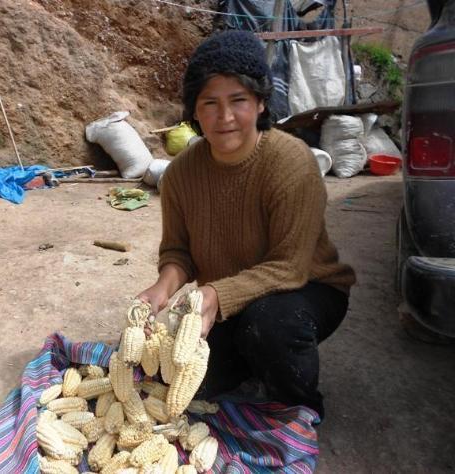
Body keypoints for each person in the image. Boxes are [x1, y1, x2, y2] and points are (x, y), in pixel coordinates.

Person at [137, 30, 356, 419]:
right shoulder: (181, 174)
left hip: (305, 288)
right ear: (194, 111)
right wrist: (161, 289)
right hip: (229, 297)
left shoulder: (291, 162)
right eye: (210, 103)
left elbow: (289, 267)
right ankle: (252, 362)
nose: (224, 117)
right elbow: (178, 252)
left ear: (260, 102)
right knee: (183, 379)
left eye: (238, 100)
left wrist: (215, 294)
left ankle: (299, 411)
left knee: (269, 327)